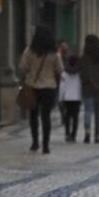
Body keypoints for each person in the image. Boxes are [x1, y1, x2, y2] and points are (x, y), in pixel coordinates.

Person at [19, 25, 64, 154]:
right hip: (49, 87)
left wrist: (30, 71)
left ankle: (35, 142)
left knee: (33, 115)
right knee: (46, 116)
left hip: (32, 86)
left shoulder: (29, 51)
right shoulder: (54, 53)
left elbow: (22, 67)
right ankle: (46, 145)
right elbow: (60, 69)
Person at [59, 54, 83, 142]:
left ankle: (67, 133)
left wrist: (60, 98)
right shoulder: (79, 73)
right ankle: (73, 135)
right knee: (75, 117)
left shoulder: (64, 73)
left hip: (67, 98)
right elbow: (81, 86)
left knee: (67, 116)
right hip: (77, 97)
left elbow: (62, 87)